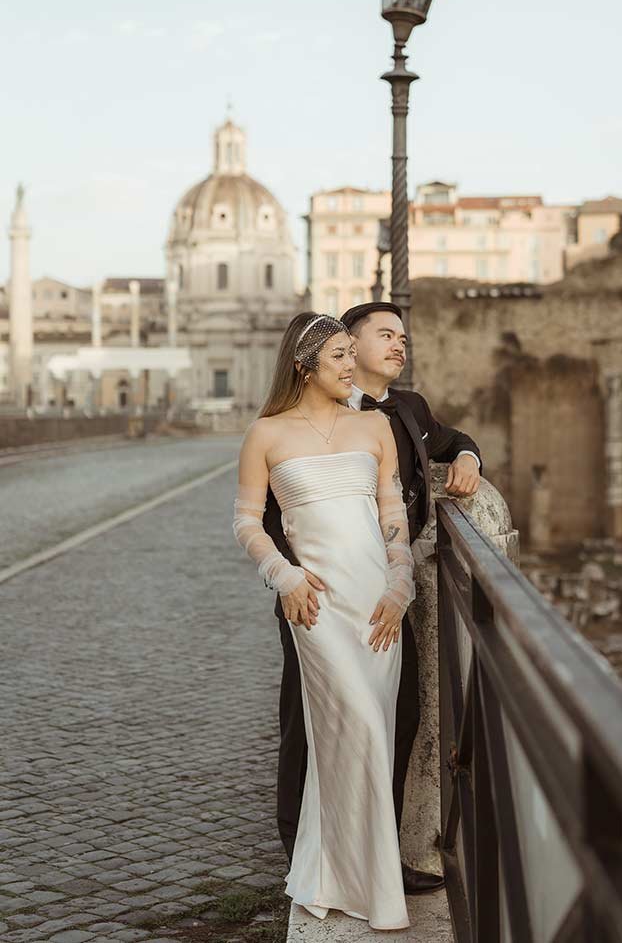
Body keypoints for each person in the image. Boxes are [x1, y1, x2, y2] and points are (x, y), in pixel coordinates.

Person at [263, 302, 483, 893]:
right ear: (345, 345)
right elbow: (263, 517)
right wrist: (289, 581)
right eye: (384, 334)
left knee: (399, 715)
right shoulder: (302, 418)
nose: (399, 344)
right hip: (315, 596)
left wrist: (467, 457)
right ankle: (303, 853)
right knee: (307, 723)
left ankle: (378, 858)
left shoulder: (405, 409)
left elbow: (454, 441)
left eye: (404, 336)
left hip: (386, 591)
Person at [233, 312, 416, 930]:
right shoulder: (266, 434)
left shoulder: (375, 426)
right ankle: (366, 883)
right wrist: (282, 577)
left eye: (349, 354)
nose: (350, 366)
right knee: (356, 728)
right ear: (304, 364)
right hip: (315, 604)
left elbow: (393, 515)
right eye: (339, 355)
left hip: (375, 603)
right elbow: (247, 523)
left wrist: (401, 583)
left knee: (368, 738)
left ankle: (347, 875)